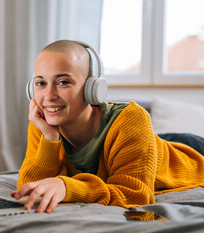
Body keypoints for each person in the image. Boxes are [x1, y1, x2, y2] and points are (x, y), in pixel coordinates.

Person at [11, 39, 204, 214]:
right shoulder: (44, 123)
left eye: (63, 82)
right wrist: (49, 139)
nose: (49, 95)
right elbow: (29, 188)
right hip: (141, 144)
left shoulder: (132, 119)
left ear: (92, 89)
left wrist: (67, 186)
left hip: (189, 153)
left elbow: (134, 196)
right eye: (40, 83)